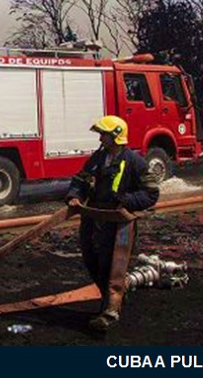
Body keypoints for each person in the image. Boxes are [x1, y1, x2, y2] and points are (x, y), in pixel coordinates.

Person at [66, 115, 159, 331]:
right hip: (93, 218)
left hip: (119, 224)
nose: (100, 138)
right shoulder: (97, 159)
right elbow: (80, 180)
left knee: (113, 266)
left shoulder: (135, 162)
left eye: (104, 134)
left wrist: (127, 201)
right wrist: (74, 196)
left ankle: (110, 310)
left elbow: (151, 193)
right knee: (92, 260)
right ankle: (109, 300)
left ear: (115, 136)